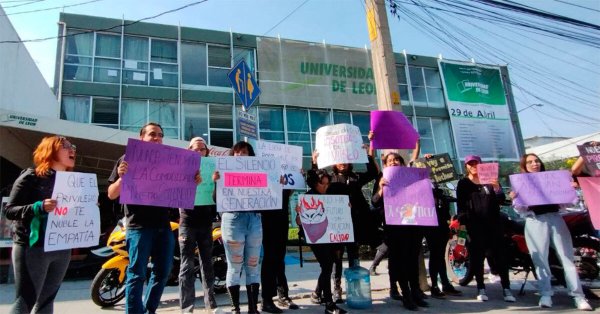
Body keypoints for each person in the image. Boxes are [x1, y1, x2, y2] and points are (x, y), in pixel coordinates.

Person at [107, 122, 178, 314]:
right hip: (138, 227)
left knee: (163, 273)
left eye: (160, 135)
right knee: (136, 274)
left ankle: (149, 309)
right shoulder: (127, 159)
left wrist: (193, 180)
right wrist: (122, 178)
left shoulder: (169, 162)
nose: (157, 138)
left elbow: (181, 191)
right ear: (142, 137)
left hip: (164, 227)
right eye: (152, 134)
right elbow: (111, 194)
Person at [510, 153, 592, 311]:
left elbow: (566, 202)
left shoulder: (553, 179)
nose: (535, 164)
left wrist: (569, 190)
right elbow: (519, 208)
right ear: (525, 166)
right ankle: (545, 294)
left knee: (567, 257)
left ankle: (579, 296)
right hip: (535, 220)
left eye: (536, 161)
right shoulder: (521, 183)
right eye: (530, 162)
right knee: (540, 260)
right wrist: (516, 197)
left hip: (555, 218)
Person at [5, 135, 77, 314]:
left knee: (46, 302)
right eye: (65, 146)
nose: (71, 150)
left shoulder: (73, 182)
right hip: (33, 247)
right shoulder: (31, 176)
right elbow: (10, 210)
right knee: (25, 302)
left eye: (72, 146)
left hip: (61, 247)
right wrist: (39, 207)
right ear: (51, 151)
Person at [371, 152, 427, 311]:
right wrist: (381, 189)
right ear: (386, 165)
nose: (393, 162)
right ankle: (406, 295)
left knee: (412, 260)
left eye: (396, 159)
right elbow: (374, 202)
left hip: (413, 225)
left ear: (402, 162)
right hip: (395, 227)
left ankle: (416, 292)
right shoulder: (383, 178)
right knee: (401, 262)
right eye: (390, 161)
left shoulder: (412, 177)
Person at [456, 155, 515, 303]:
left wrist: (496, 188)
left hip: (494, 224)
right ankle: (481, 287)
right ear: (466, 167)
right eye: (470, 164)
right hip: (474, 226)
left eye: (476, 163)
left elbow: (502, 200)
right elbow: (461, 205)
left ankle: (506, 288)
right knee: (477, 257)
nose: (474, 166)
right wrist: (462, 223)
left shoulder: (491, 181)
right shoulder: (463, 183)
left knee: (500, 256)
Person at [212, 141, 262, 314]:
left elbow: (269, 196)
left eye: (245, 151)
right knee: (234, 266)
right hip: (232, 219)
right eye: (237, 152)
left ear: (250, 155)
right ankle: (236, 309)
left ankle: (253, 308)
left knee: (253, 265)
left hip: (254, 219)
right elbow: (215, 199)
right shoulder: (223, 173)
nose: (241, 155)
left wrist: (276, 183)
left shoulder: (259, 172)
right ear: (232, 155)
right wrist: (217, 182)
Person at [297, 169, 348, 314]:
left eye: (327, 183)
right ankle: (329, 303)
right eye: (322, 184)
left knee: (327, 266)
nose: (325, 187)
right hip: (315, 238)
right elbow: (299, 221)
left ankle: (319, 295)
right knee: (326, 266)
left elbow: (338, 218)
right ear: (314, 183)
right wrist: (300, 215)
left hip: (330, 237)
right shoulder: (308, 197)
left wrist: (345, 209)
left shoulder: (332, 197)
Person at [178, 137, 220, 313]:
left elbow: (218, 199)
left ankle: (211, 305)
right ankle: (187, 308)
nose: (199, 152)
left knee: (207, 265)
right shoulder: (180, 169)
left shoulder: (212, 168)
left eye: (202, 149)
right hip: (187, 222)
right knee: (186, 266)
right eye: (195, 149)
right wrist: (188, 181)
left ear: (206, 152)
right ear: (189, 150)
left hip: (206, 222)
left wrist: (217, 182)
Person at [261, 188, 299, 313]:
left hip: (281, 216)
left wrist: (295, 178)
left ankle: (283, 295)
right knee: (270, 258)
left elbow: (289, 191)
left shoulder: (283, 171)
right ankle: (266, 299)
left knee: (280, 257)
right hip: (267, 216)